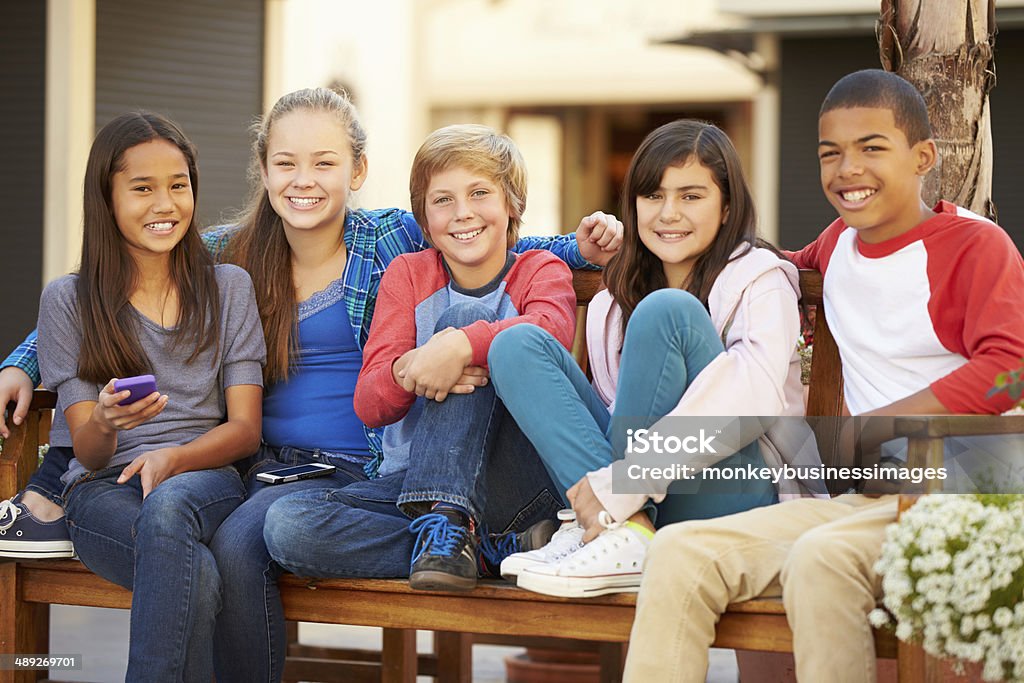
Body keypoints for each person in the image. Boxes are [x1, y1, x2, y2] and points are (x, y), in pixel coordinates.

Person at [0, 87, 622, 681]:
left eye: (325, 162)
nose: (305, 180)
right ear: (264, 172)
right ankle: (465, 540)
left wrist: (583, 249)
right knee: (243, 540)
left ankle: (464, 535)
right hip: (264, 465)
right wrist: (23, 362)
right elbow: (105, 291)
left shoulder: (390, 240)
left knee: (248, 540)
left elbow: (485, 237)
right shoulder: (228, 255)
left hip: (371, 465)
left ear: (356, 171)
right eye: (286, 163)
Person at [621, 69, 1024, 683]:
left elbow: (1011, 369)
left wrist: (879, 427)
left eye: (871, 148)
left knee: (821, 558)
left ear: (923, 158)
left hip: (962, 498)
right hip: (870, 500)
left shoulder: (974, 246)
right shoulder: (838, 245)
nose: (846, 169)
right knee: (680, 551)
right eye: (830, 153)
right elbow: (768, 267)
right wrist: (607, 245)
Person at [487, 119, 815, 599]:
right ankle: (625, 533)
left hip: (740, 491)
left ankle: (617, 524)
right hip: (648, 500)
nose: (668, 213)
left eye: (691, 196)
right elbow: (613, 423)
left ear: (727, 207)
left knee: (668, 313)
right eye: (653, 195)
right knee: (514, 346)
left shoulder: (759, 278)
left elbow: (754, 398)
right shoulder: (611, 303)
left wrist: (623, 484)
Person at [262, 123, 574, 592]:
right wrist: (411, 370)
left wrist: (458, 345)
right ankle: (484, 548)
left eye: (479, 193)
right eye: (442, 200)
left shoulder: (538, 270)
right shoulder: (409, 274)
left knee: (462, 320)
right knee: (288, 525)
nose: (462, 212)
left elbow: (552, 332)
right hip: (414, 484)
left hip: (517, 484)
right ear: (424, 221)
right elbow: (370, 403)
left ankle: (454, 524)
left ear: (512, 204)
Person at [31, 111, 265, 682]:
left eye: (178, 185)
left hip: (205, 478)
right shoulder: (69, 301)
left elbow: (245, 430)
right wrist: (108, 420)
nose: (166, 204)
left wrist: (174, 458)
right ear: (106, 199)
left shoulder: (228, 288)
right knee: (199, 572)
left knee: (170, 508)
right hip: (103, 491)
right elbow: (87, 453)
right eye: (142, 188)